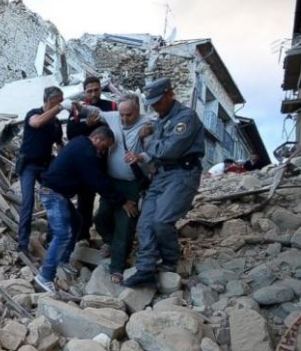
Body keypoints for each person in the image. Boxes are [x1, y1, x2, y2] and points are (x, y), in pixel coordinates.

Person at [34, 126, 138, 296]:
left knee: (76, 221)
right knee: (62, 234)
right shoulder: (86, 151)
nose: (103, 152)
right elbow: (97, 181)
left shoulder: (80, 143)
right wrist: (122, 201)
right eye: (104, 147)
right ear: (97, 138)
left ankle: (62, 260)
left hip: (58, 193)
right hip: (53, 193)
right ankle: (45, 276)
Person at [123, 78, 205, 288]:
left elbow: (168, 150)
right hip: (160, 174)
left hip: (182, 173)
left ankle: (170, 260)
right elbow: (156, 152)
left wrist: (150, 141)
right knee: (145, 223)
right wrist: (145, 151)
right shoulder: (160, 120)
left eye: (159, 102)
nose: (156, 107)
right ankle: (146, 269)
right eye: (152, 104)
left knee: (161, 221)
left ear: (170, 94)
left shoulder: (186, 117)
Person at [94, 94, 152, 283]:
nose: (124, 118)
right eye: (122, 115)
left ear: (137, 111)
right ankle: (113, 243)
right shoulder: (112, 117)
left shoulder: (149, 123)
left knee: (125, 224)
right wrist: (71, 106)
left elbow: (155, 152)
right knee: (101, 218)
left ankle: (117, 267)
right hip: (112, 182)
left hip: (132, 184)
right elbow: (92, 111)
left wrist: (140, 156)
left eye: (129, 115)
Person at [66, 76, 118, 243]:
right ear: (84, 92)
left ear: (101, 89)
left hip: (109, 163)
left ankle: (111, 237)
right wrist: (86, 125)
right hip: (86, 166)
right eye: (90, 91)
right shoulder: (77, 110)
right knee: (85, 202)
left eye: (96, 90)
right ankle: (83, 237)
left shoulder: (111, 106)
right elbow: (71, 135)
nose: (94, 94)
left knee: (109, 199)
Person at [15, 86, 65, 254]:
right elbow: (37, 123)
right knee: (28, 203)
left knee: (53, 200)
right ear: (50, 100)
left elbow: (59, 144)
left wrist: (66, 158)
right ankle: (23, 244)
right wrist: (59, 108)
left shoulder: (56, 123)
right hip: (28, 166)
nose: (61, 104)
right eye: (58, 101)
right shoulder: (33, 114)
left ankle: (50, 240)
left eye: (62, 101)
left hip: (45, 165)